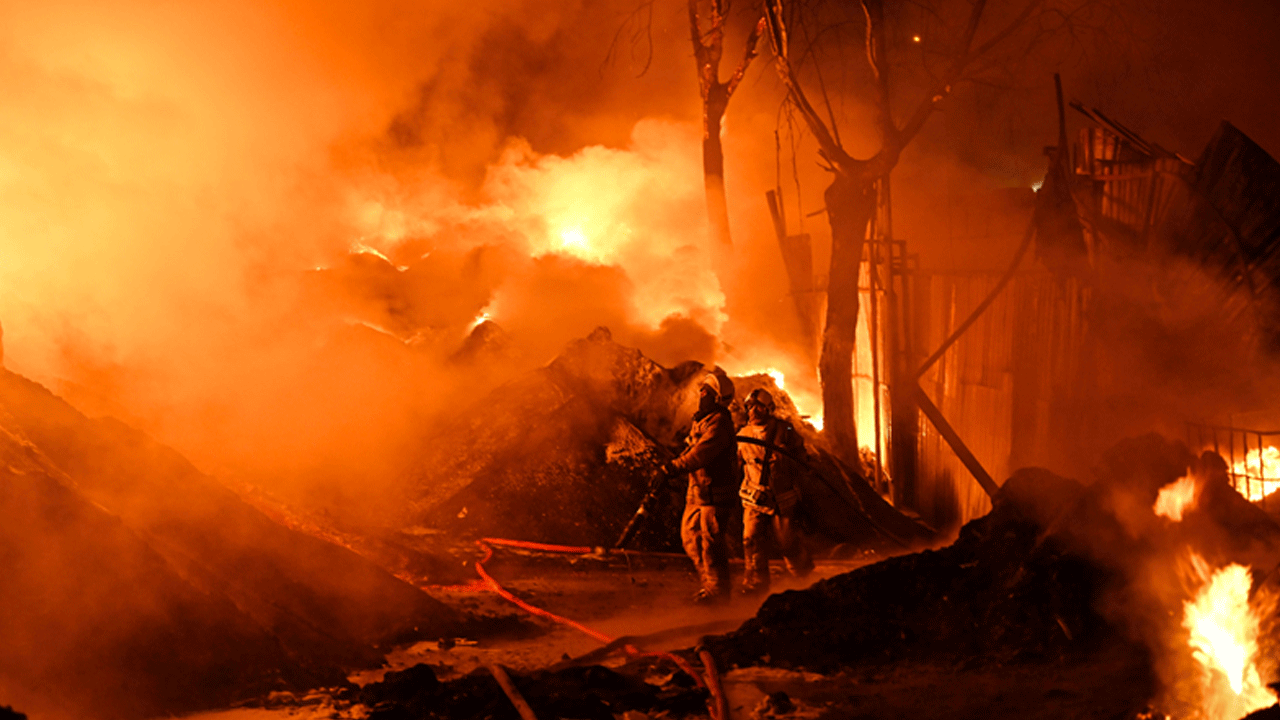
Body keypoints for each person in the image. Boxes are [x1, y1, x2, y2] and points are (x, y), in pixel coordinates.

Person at [660, 372, 738, 604]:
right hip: (698, 492)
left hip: (715, 495)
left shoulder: (720, 424)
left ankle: (718, 593)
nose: (700, 393)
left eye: (705, 391)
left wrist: (671, 469)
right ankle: (709, 586)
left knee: (710, 544)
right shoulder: (704, 420)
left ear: (716, 397)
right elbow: (691, 449)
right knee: (690, 538)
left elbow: (699, 455)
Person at [737, 388, 813, 595]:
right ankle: (756, 585)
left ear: (769, 408)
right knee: (751, 541)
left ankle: (803, 580)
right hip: (754, 499)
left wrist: (795, 462)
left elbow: (801, 457)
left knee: (787, 543)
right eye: (750, 407)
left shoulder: (785, 431)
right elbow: (734, 464)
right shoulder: (743, 436)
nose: (753, 411)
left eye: (758, 407)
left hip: (782, 499)